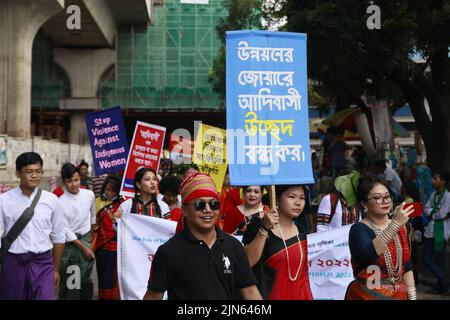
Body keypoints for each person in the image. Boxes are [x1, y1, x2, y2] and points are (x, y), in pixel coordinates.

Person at [144, 171, 262, 300]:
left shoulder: (234, 247)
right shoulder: (168, 252)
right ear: (184, 210)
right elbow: (153, 297)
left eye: (214, 205)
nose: (208, 210)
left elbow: (250, 292)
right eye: (200, 205)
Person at [0, 152, 65, 300]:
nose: (34, 176)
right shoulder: (4, 200)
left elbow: (59, 236)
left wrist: (55, 269)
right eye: (29, 172)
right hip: (13, 263)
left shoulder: (52, 200)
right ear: (18, 173)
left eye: (38, 171)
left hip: (43, 263)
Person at [345, 175, 416, 300]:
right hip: (367, 295)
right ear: (364, 203)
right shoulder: (358, 229)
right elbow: (370, 254)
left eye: (387, 196)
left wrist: (412, 297)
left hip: (399, 295)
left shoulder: (402, 227)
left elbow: (407, 265)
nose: (385, 201)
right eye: (377, 197)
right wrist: (395, 224)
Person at [243, 185, 313, 300]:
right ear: (277, 200)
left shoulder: (303, 232)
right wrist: (264, 228)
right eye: (292, 197)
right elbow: (247, 262)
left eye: (302, 198)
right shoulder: (257, 226)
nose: (298, 202)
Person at [58, 163, 96, 300]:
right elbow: (65, 230)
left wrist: (91, 239)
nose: (74, 184)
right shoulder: (60, 202)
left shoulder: (89, 195)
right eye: (70, 181)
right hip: (70, 246)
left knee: (86, 280)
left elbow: (92, 217)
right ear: (64, 182)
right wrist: (83, 247)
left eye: (76, 180)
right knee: (72, 282)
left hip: (86, 240)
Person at [92, 175, 126, 300]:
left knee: (117, 277)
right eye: (107, 189)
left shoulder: (123, 203)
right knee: (104, 276)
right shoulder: (97, 202)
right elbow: (93, 223)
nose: (110, 193)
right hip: (102, 246)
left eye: (113, 190)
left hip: (119, 247)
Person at [422, 172, 450, 295]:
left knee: (440, 261)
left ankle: (442, 286)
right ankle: (444, 282)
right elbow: (426, 208)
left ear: (443, 182)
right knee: (427, 258)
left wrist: (433, 212)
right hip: (430, 231)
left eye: (436, 179)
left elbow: (442, 214)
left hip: (441, 231)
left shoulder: (448, 196)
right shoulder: (433, 194)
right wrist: (434, 212)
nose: (433, 181)